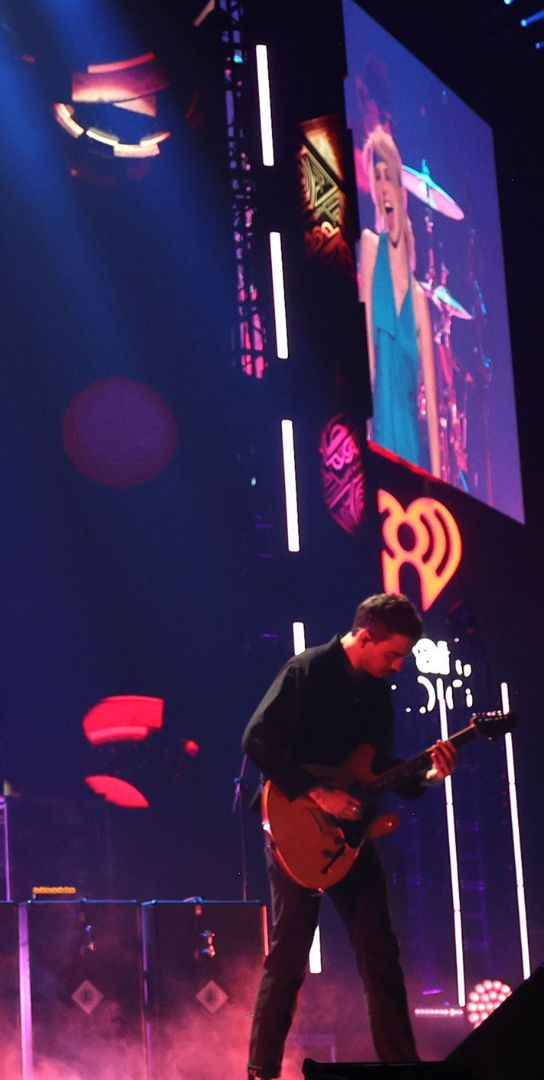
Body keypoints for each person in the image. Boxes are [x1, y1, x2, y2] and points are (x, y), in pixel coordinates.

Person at [241, 593, 456, 1079]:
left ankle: (402, 1066)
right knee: (289, 955)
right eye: (393, 654)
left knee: (380, 951)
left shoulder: (376, 692)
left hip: (353, 837)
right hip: (297, 827)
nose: (398, 666)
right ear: (365, 636)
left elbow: (377, 765)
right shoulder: (308, 670)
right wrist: (320, 794)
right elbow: (257, 738)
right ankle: (261, 1071)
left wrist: (428, 776)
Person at [357, 129, 440, 476]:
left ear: (402, 192)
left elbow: (432, 412)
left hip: (411, 455)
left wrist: (437, 485)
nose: (382, 187)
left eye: (387, 176)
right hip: (378, 441)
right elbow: (365, 354)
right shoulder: (369, 247)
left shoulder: (420, 301)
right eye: (376, 178)